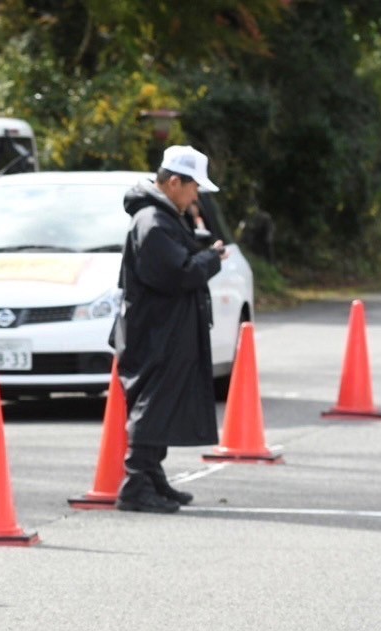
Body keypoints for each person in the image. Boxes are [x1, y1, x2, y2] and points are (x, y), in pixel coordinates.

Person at [113, 145, 230, 513]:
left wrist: (199, 249)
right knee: (153, 404)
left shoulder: (163, 218)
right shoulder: (154, 220)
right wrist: (211, 257)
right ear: (175, 182)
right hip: (156, 331)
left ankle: (152, 476)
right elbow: (176, 274)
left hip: (163, 327)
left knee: (161, 403)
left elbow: (173, 261)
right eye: (194, 187)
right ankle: (136, 484)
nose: (197, 196)